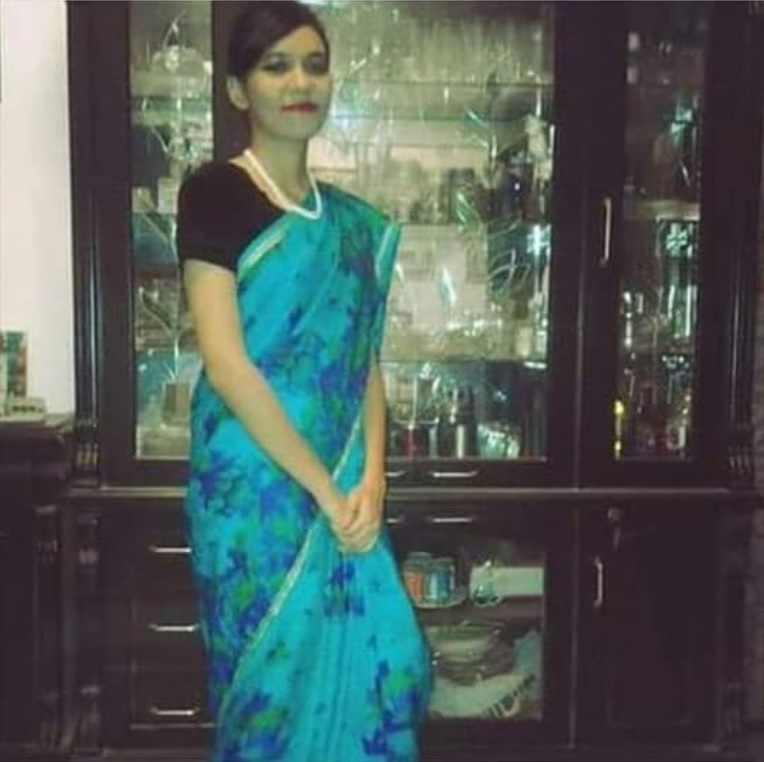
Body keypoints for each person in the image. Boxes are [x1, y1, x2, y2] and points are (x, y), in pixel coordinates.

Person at [175, 2, 431, 760]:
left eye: (315, 66)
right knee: (267, 690)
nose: (300, 83)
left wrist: (373, 479)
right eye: (276, 66)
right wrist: (324, 488)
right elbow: (226, 362)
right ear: (238, 89)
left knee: (384, 668)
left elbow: (363, 359)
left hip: (346, 487)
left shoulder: (352, 224)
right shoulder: (214, 193)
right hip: (252, 491)